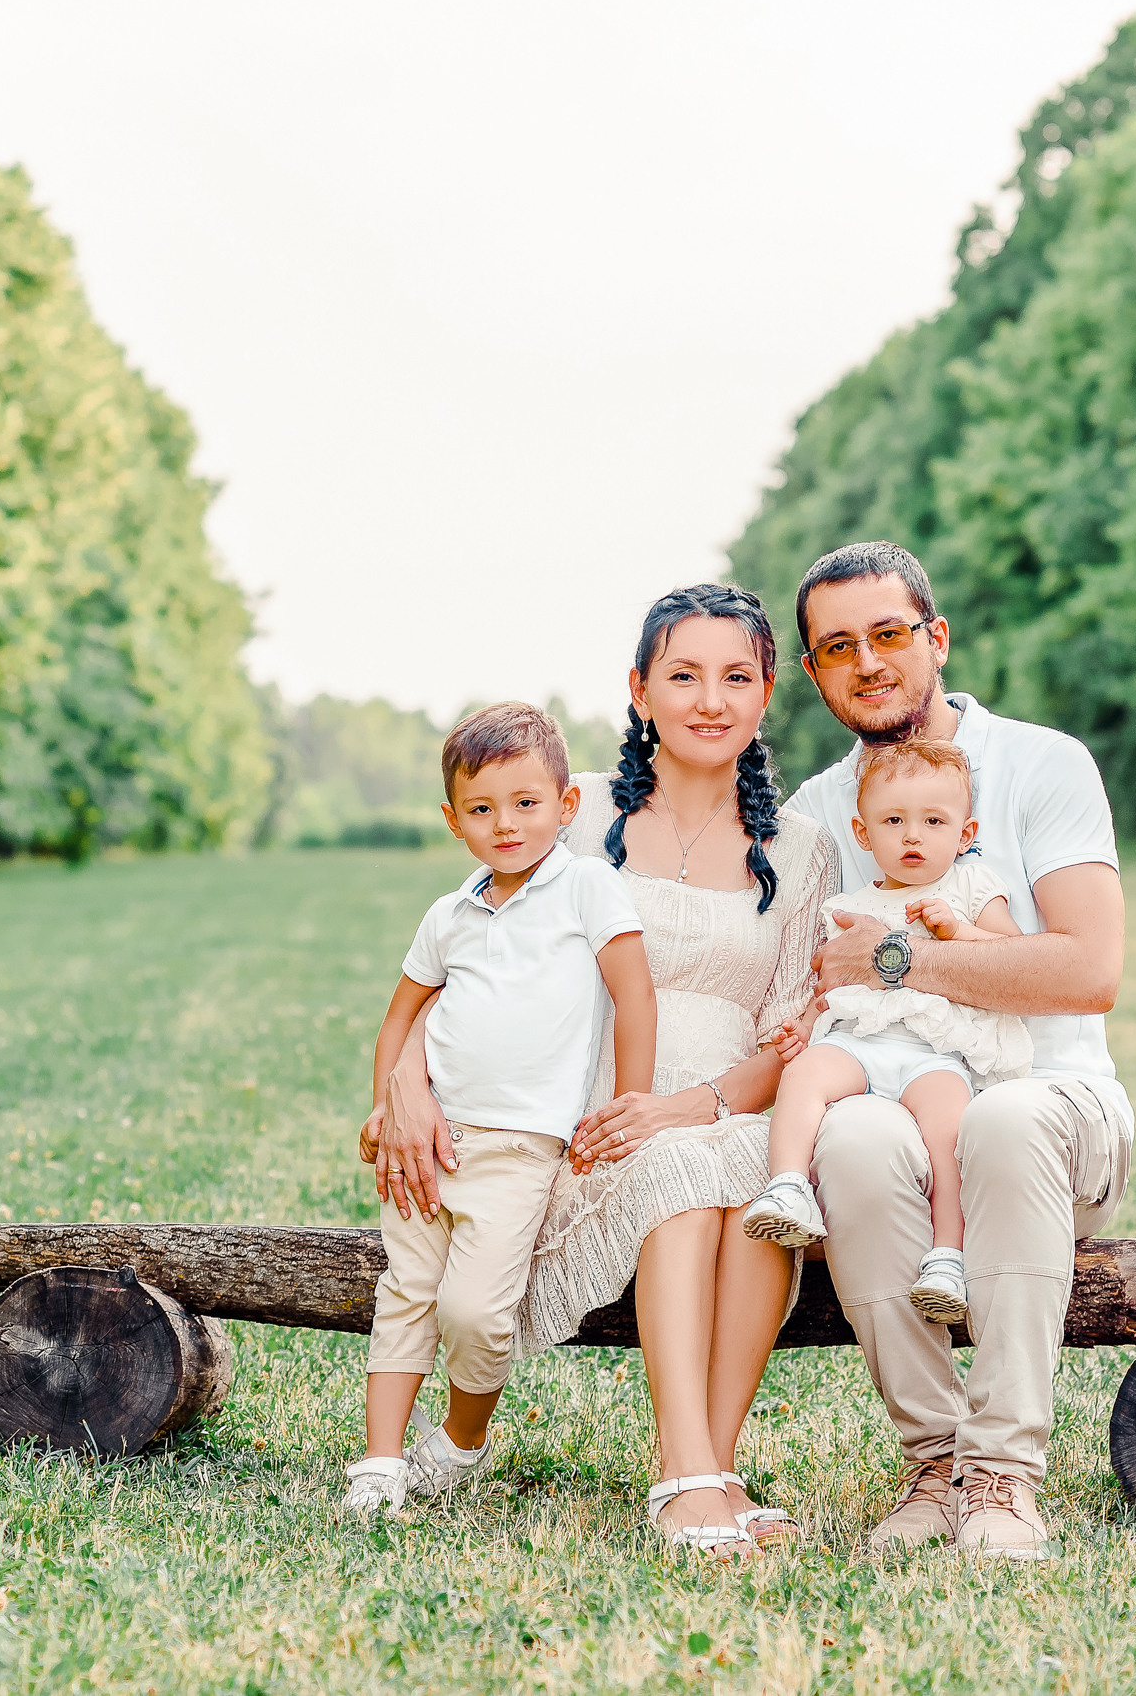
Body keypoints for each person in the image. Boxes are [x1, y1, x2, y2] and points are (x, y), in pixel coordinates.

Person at [370, 585, 836, 1556]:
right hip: (589, 1113)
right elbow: (463, 954)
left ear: (766, 692)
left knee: (746, 1164)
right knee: (673, 1166)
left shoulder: (801, 850)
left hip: (725, 1099)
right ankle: (684, 1472)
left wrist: (692, 1102)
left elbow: (790, 1037)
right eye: (683, 675)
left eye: (736, 676)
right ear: (638, 689)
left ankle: (711, 1466)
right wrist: (403, 1082)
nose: (710, 699)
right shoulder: (574, 818)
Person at [782, 541, 1131, 1562]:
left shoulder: (1043, 762)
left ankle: (1005, 1475)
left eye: (888, 633)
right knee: (847, 1135)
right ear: (814, 672)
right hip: (895, 1123)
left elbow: (1086, 969)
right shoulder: (816, 816)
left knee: (1001, 1113)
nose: (868, 661)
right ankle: (934, 1464)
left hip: (1054, 1111)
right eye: (836, 646)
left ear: (935, 637)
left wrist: (896, 956)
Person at [345, 703, 656, 1517]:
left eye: (525, 803)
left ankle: (459, 1438)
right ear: (454, 820)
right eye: (481, 809)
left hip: (521, 1150)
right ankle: (378, 1461)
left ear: (567, 804)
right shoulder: (447, 915)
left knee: (476, 1310)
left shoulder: (588, 887)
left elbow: (634, 997)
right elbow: (401, 1017)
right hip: (431, 1141)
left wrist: (633, 1102)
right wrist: (390, 1104)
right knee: (407, 1290)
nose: (505, 823)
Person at [740, 736, 1030, 1329]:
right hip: (860, 1042)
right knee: (805, 1076)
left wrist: (958, 934)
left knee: (951, 1135)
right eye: (893, 821)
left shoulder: (972, 890)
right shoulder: (850, 904)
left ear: (966, 833)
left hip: (935, 1052)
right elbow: (830, 985)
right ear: (864, 833)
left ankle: (948, 1256)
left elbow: (1014, 956)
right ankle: (789, 1185)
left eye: (933, 821)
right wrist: (802, 1022)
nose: (913, 836)